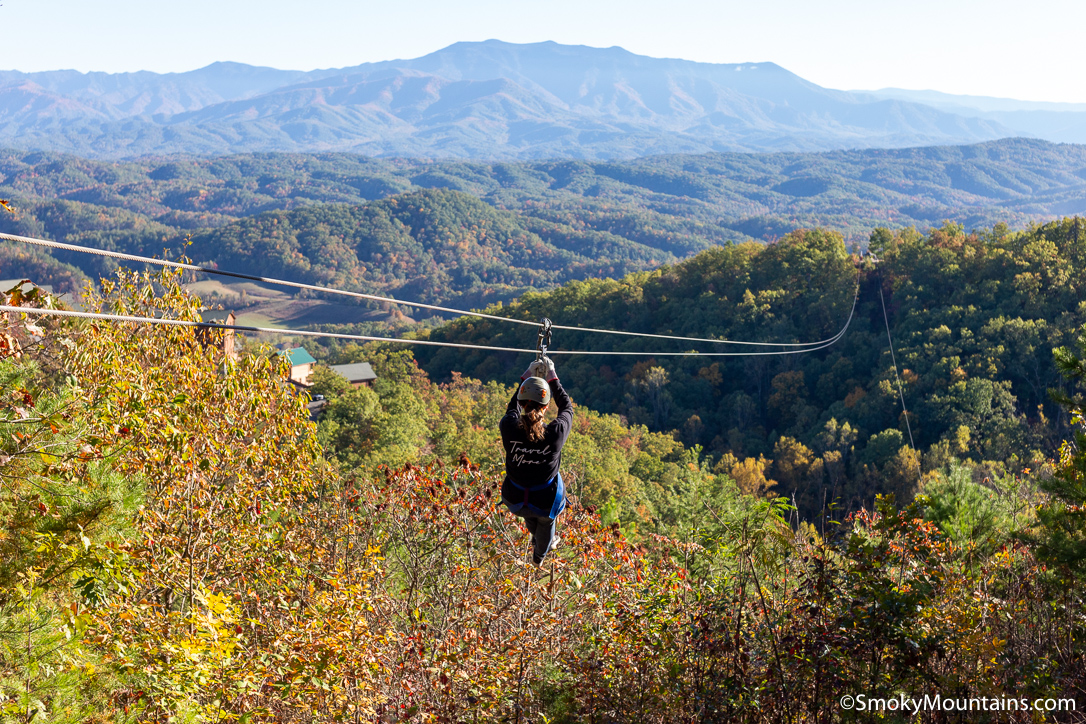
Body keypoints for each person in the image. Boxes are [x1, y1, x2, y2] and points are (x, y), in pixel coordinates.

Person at [499, 355, 573, 566]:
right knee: (545, 522)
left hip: (514, 499)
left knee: (530, 514)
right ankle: (540, 556)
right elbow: (567, 408)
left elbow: (512, 408)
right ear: (547, 406)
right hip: (544, 501)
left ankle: (538, 540)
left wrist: (526, 376)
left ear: (523, 403)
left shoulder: (509, 427)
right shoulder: (555, 434)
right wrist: (552, 377)